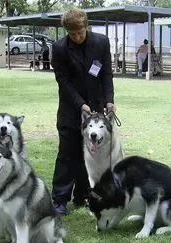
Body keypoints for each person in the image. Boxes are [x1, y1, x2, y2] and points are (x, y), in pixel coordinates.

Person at [51, 8, 115, 216]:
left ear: (87, 26)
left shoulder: (101, 42)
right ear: (67, 32)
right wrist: (80, 104)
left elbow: (106, 74)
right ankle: (60, 199)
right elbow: (63, 81)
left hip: (95, 110)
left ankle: (85, 195)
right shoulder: (59, 48)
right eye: (73, 34)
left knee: (91, 153)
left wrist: (109, 101)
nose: (77, 37)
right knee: (67, 154)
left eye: (80, 32)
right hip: (70, 109)